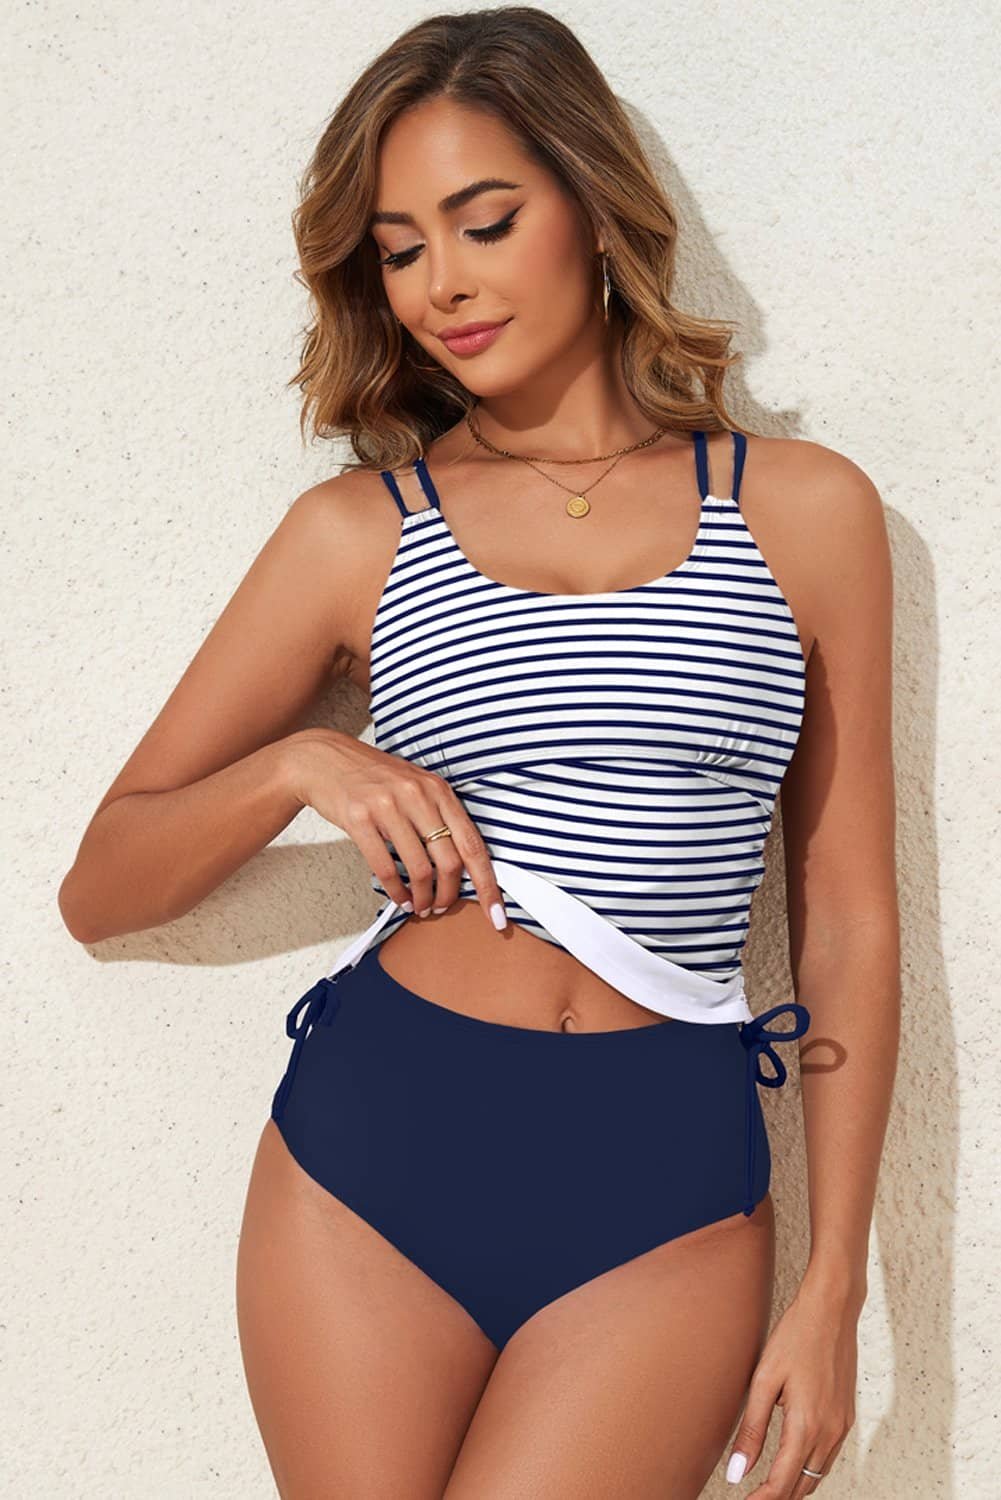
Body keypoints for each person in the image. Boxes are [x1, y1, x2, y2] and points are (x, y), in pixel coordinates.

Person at [58, 8, 900, 1497]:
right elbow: (103, 887)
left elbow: (844, 913)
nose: (440, 281)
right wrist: (301, 769)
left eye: (484, 222)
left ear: (593, 207)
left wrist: (835, 1283)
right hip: (377, 1153)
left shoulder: (805, 510)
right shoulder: (358, 531)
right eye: (398, 249)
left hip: (667, 1182)